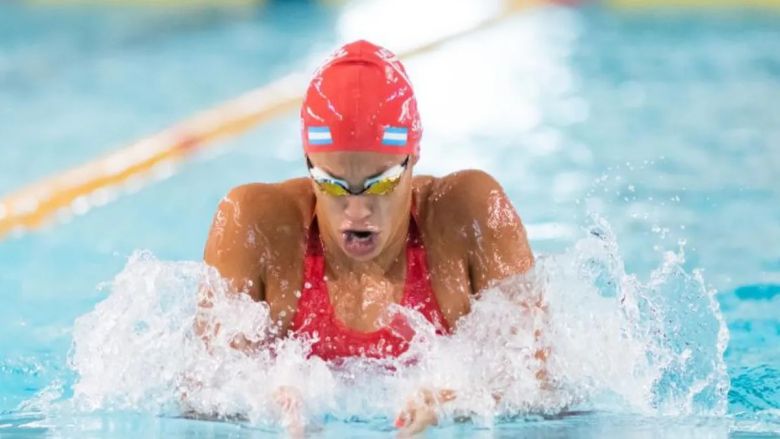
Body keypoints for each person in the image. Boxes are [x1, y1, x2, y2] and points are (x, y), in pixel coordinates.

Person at [200, 39, 537, 435]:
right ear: (308, 163)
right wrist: (264, 406)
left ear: (414, 155)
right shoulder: (253, 226)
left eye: (381, 183)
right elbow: (205, 391)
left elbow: (539, 381)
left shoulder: (469, 218)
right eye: (332, 183)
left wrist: (453, 403)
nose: (356, 210)